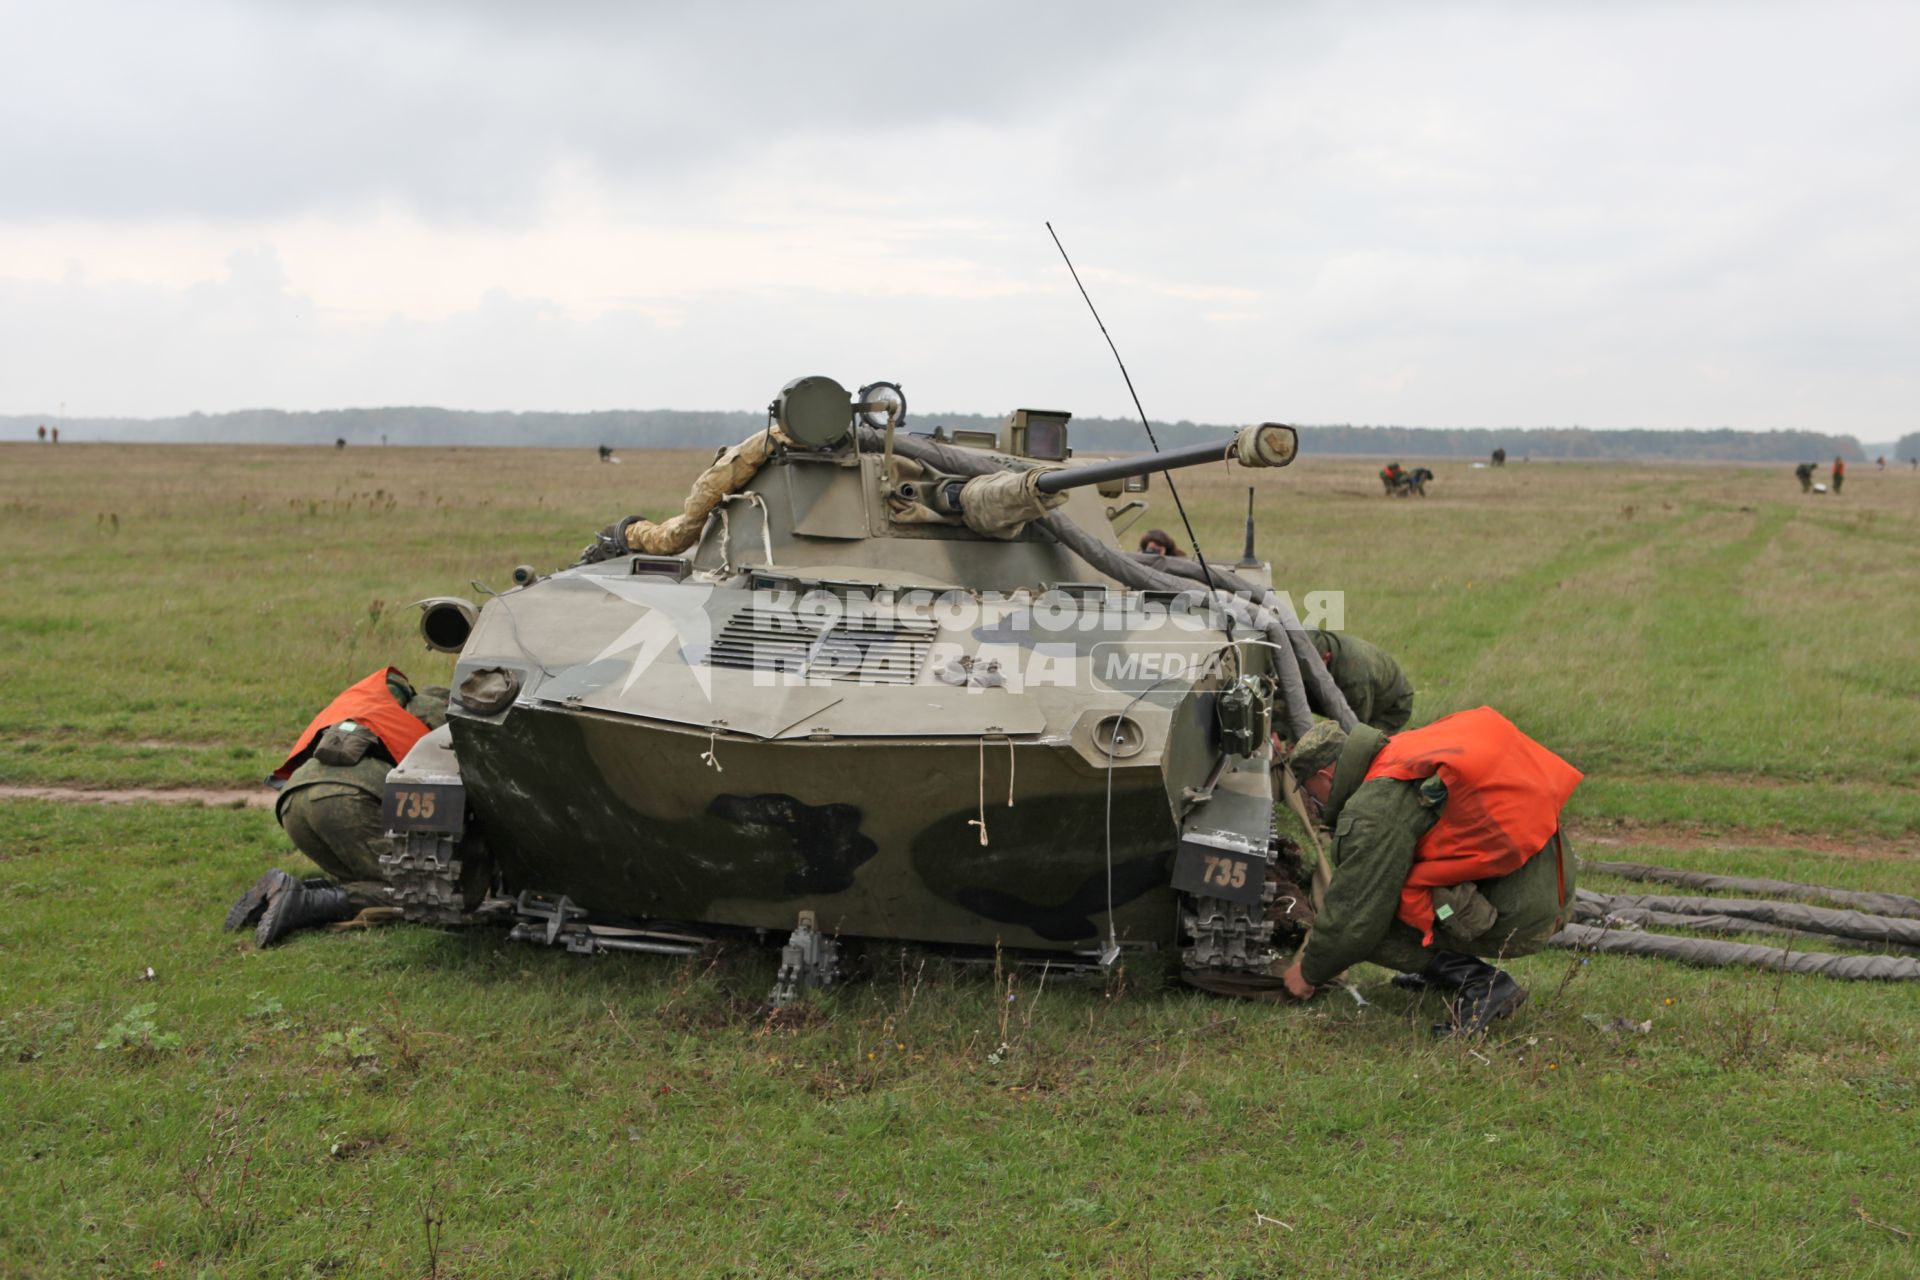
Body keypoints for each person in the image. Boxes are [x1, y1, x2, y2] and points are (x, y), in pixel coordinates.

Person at [1278, 709, 1581, 1034]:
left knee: (1371, 928)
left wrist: (1308, 972)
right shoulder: (1398, 755)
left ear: (1325, 775)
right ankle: (1441, 973)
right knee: (1391, 898)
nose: (1313, 802)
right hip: (1547, 886)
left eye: (1310, 791)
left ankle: (1483, 984)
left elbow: (1354, 917)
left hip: (1521, 914)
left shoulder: (1374, 808)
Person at [225, 668, 449, 946]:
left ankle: (278, 895)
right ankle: (304, 901)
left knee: (363, 877)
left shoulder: (366, 708)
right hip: (347, 801)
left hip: (294, 800)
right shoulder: (436, 711)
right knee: (422, 890)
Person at [1306, 628, 1414, 731]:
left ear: (1327, 657)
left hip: (1391, 708)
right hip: (1357, 692)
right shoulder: (1310, 640)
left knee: (1362, 743)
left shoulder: (1353, 678)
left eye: (1310, 666)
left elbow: (1354, 730)